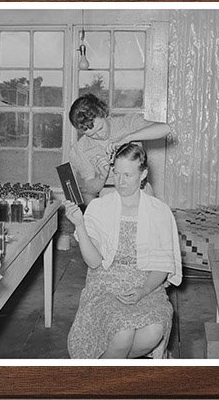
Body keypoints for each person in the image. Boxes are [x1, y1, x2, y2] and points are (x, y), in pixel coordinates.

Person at [64, 142, 182, 359]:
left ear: (143, 174)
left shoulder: (159, 212)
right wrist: (79, 225)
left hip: (146, 285)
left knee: (153, 332)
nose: (120, 181)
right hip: (107, 284)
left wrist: (143, 290)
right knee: (122, 333)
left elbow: (162, 266)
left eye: (127, 175)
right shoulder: (100, 208)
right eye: (117, 174)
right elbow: (93, 262)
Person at [67, 93, 171, 204]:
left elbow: (165, 129)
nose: (99, 135)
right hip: (109, 197)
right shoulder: (79, 150)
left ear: (103, 112)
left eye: (100, 128)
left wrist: (128, 138)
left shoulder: (127, 123)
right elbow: (90, 188)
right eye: (91, 134)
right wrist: (102, 176)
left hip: (141, 191)